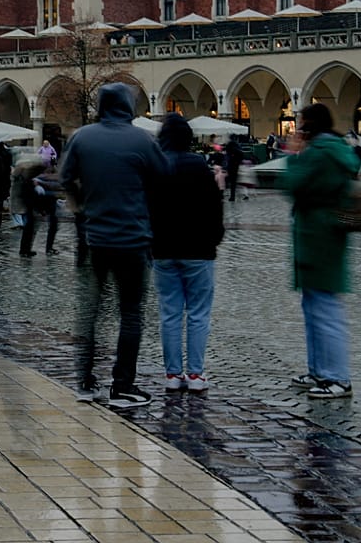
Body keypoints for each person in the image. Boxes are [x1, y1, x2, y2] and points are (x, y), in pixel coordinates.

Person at [61, 82, 166, 409]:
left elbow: (65, 178)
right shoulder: (143, 140)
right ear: (128, 106)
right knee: (131, 313)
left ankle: (84, 381)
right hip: (133, 240)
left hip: (96, 239)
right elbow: (164, 177)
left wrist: (83, 203)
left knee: (90, 312)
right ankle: (122, 386)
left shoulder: (82, 137)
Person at [283, 102, 360, 399]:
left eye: (301, 124)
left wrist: (292, 154)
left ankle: (337, 377)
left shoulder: (320, 155)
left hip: (319, 239)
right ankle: (319, 371)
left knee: (325, 310)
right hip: (322, 238)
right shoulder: (334, 150)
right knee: (315, 307)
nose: (297, 129)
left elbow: (293, 183)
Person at [149, 114, 224, 393]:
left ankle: (172, 373)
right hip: (198, 250)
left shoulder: (154, 166)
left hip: (163, 250)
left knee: (169, 313)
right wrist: (215, 239)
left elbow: (146, 208)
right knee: (198, 313)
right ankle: (195, 374)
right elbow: (214, 207)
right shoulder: (199, 166)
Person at [16, 160, 60, 258]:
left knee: (30, 229)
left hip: (31, 207)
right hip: (30, 207)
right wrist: (40, 209)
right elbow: (31, 195)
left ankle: (26, 249)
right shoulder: (30, 181)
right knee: (29, 229)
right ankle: (24, 250)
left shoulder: (31, 180)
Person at [224, 137, 245, 202]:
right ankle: (232, 196)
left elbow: (227, 156)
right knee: (233, 182)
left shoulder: (229, 146)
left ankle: (226, 195)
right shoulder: (238, 148)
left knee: (227, 181)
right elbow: (241, 156)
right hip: (236, 167)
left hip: (230, 166)